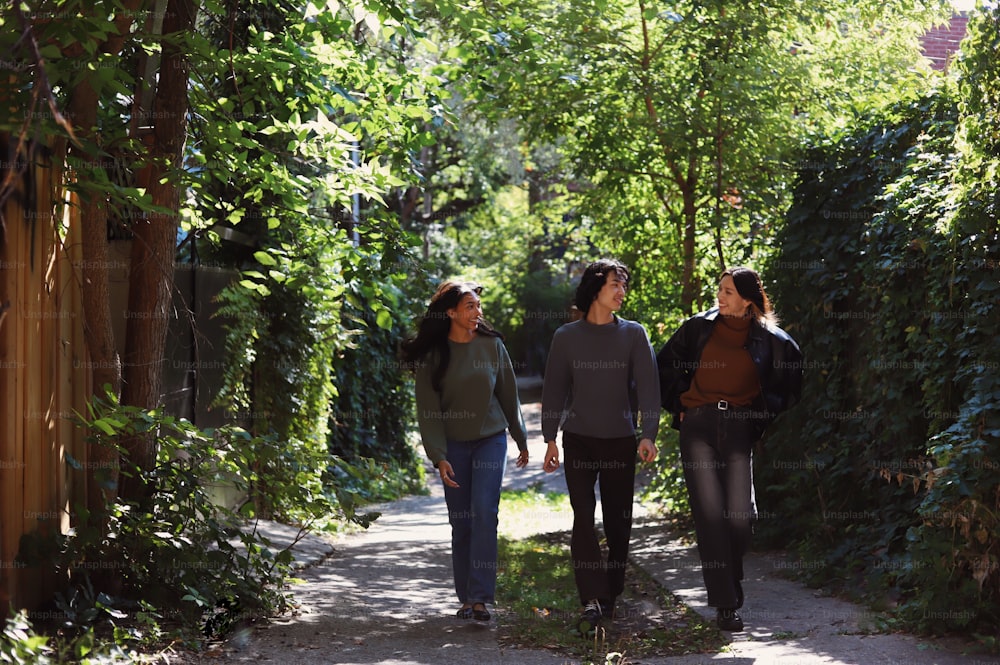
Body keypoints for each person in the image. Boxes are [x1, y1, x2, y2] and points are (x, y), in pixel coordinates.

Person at [656, 266, 803, 632]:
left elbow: (791, 384)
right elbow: (663, 366)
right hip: (698, 427)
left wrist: (760, 416)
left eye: (728, 292)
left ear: (748, 300)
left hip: (738, 427)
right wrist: (680, 407)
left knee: (739, 518)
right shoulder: (697, 328)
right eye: (719, 290)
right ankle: (726, 605)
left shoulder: (773, 340)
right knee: (710, 518)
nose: (719, 297)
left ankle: (728, 576)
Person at [541, 259, 660, 632]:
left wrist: (648, 433)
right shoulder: (566, 336)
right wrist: (549, 438)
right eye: (615, 285)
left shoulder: (634, 334)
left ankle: (611, 592)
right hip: (578, 440)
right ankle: (591, 599)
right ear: (596, 288)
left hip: (620, 441)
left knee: (618, 521)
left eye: (624, 285)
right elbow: (554, 389)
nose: (622, 292)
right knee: (582, 515)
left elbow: (649, 386)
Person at [401, 280, 529, 622]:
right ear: (452, 312)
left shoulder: (491, 346)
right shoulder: (434, 356)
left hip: (490, 438)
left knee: (484, 512)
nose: (478, 312)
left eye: (478, 306)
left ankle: (481, 599)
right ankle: (466, 597)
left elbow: (508, 394)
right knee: (462, 521)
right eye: (470, 306)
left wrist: (521, 437)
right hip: (453, 445)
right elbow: (428, 411)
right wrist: (438, 456)